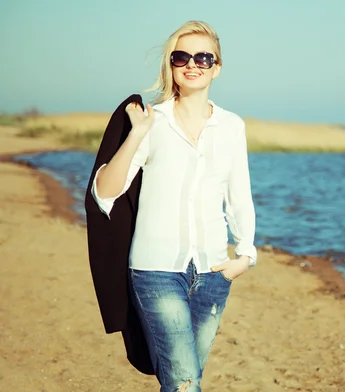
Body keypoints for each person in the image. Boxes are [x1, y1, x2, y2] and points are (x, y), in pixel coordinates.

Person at [91, 20, 257, 391]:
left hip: (215, 274)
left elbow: (239, 195)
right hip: (156, 271)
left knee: (183, 377)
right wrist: (136, 134)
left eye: (203, 57)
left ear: (217, 67)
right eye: (182, 56)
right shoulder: (153, 120)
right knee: (184, 381)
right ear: (170, 64)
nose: (192, 64)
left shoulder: (232, 126)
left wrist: (244, 256)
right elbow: (104, 194)